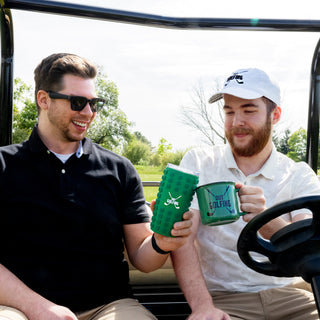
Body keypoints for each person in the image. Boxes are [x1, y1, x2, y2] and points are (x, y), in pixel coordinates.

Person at [0, 53, 193, 320]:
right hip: (18, 307)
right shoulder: (3, 164)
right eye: (78, 102)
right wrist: (37, 307)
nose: (88, 113)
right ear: (43, 99)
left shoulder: (119, 169)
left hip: (108, 307)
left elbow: (143, 258)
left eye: (94, 103)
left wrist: (161, 243)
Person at [171, 68, 320, 320]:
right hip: (224, 299)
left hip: (292, 296)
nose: (236, 121)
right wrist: (202, 307)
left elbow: (307, 248)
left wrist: (265, 219)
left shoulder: (299, 174)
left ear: (276, 114)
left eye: (249, 110)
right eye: (229, 111)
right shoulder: (198, 162)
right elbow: (182, 240)